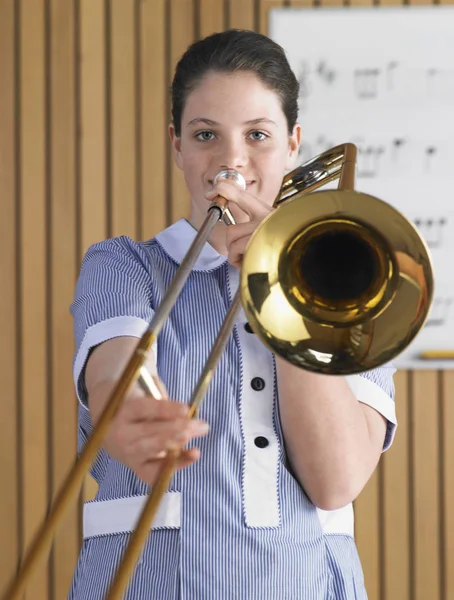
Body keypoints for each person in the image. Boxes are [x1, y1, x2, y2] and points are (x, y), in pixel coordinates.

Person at [68, 29, 397, 600]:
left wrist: (279, 285)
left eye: (258, 135)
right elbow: (115, 377)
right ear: (176, 146)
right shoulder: (123, 265)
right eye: (205, 135)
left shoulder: (350, 284)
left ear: (293, 142)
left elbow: (337, 479)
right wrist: (131, 416)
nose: (231, 162)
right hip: (150, 582)